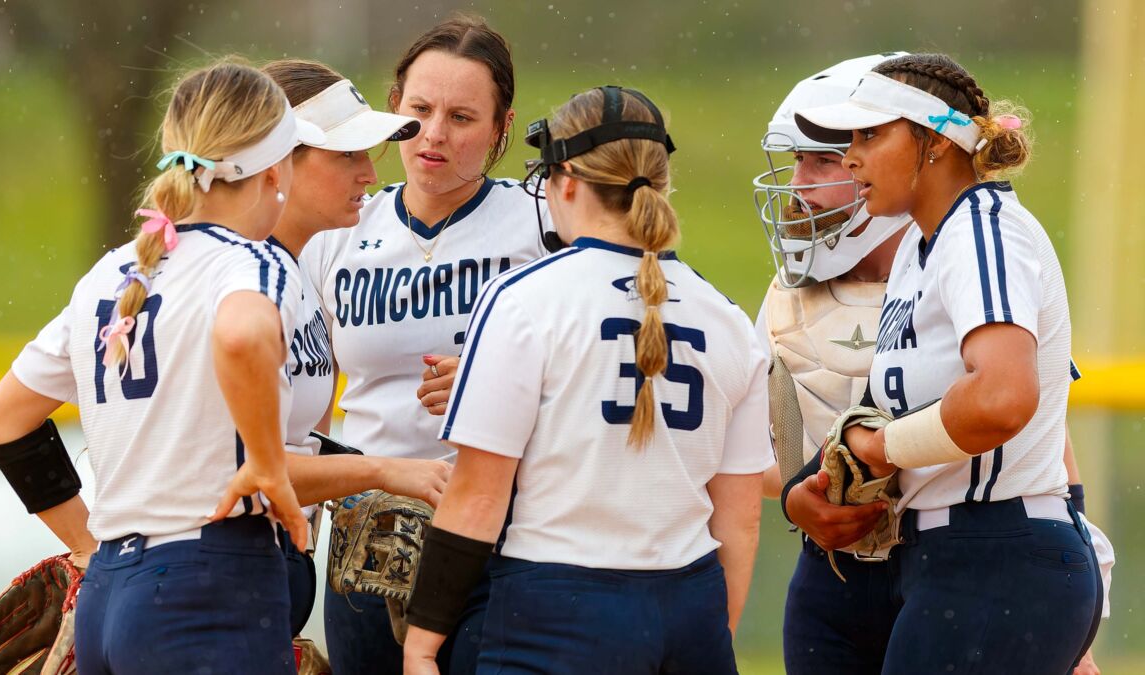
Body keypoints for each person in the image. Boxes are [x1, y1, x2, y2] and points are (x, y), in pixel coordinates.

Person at [401, 84, 772, 675]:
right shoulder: (727, 317)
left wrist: (421, 644)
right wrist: (710, 635)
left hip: (558, 607)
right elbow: (740, 519)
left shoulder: (523, 298)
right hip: (690, 604)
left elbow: (478, 497)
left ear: (567, 179)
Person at [0, 59, 325, 674]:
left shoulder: (112, 271)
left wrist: (87, 545)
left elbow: (1, 418)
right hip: (208, 583)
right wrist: (270, 467)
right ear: (275, 171)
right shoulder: (253, 262)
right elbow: (243, 335)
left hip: (109, 591)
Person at [794, 52, 1101, 673]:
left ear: (934, 141)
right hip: (954, 555)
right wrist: (809, 486)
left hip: (1000, 551)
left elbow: (1002, 398)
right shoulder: (921, 241)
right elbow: (899, 404)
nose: (851, 157)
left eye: (869, 135)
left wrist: (880, 449)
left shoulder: (983, 230)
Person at [297, 15, 551, 674]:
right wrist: (305, 528)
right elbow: (309, 397)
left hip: (502, 534)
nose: (435, 133)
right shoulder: (337, 231)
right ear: (393, 109)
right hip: (366, 532)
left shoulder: (543, 222)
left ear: (501, 127)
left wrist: (498, 381)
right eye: (420, 110)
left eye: (462, 117)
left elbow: (610, 361)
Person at [260, 58, 453, 646]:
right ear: (278, 160)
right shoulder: (236, 279)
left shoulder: (297, 270)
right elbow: (242, 467)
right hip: (214, 571)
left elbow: (300, 436)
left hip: (268, 564)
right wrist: (384, 472)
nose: (370, 173)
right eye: (347, 154)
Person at [751, 53, 912, 675]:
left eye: (821, 160)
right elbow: (752, 459)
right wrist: (799, 496)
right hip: (829, 580)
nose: (798, 185)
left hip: (952, 565)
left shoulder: (958, 270)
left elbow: (1044, 458)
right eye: (796, 160)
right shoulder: (784, 299)